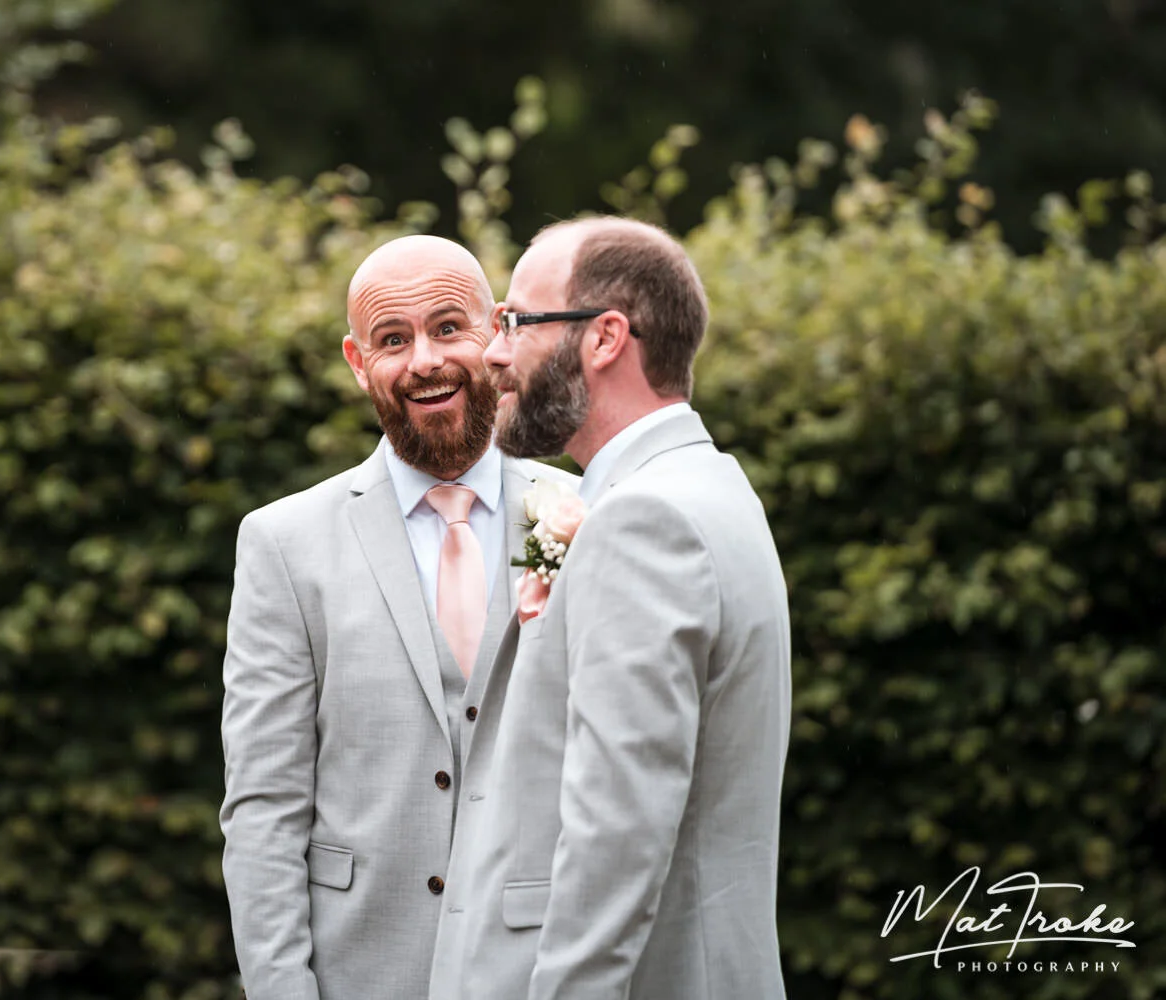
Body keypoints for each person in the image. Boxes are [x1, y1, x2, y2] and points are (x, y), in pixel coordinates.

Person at [428, 217, 792, 1000]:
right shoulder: (705, 488)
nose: (493, 353)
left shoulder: (642, 522)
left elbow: (617, 830)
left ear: (605, 338)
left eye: (516, 323)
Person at [220, 235, 578, 1000]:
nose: (424, 361)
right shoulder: (283, 543)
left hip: (542, 969)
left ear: (498, 336)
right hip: (361, 970)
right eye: (392, 339)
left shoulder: (583, 516)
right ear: (357, 363)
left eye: (449, 328)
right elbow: (264, 809)